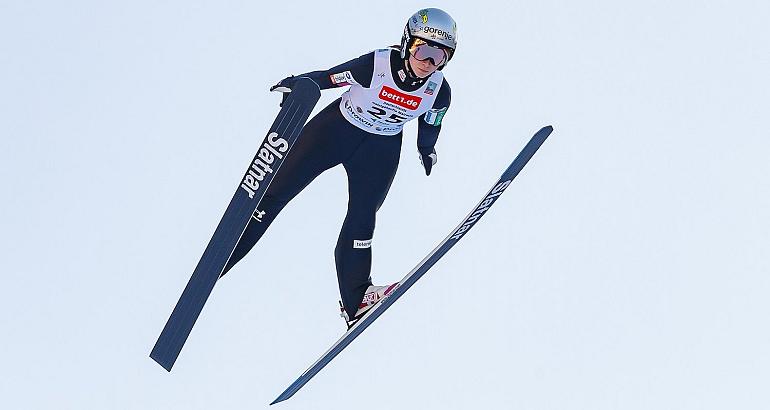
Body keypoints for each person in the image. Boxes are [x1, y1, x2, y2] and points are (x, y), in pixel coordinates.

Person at [221, 8, 457, 328]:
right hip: (336, 131)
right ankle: (220, 261)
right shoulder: (378, 65)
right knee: (274, 194)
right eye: (424, 50)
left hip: (380, 149)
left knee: (362, 222)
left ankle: (357, 300)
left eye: (440, 57)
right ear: (407, 43)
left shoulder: (438, 91)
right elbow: (330, 77)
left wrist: (426, 150)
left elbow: (432, 124)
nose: (429, 63)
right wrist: (297, 86)